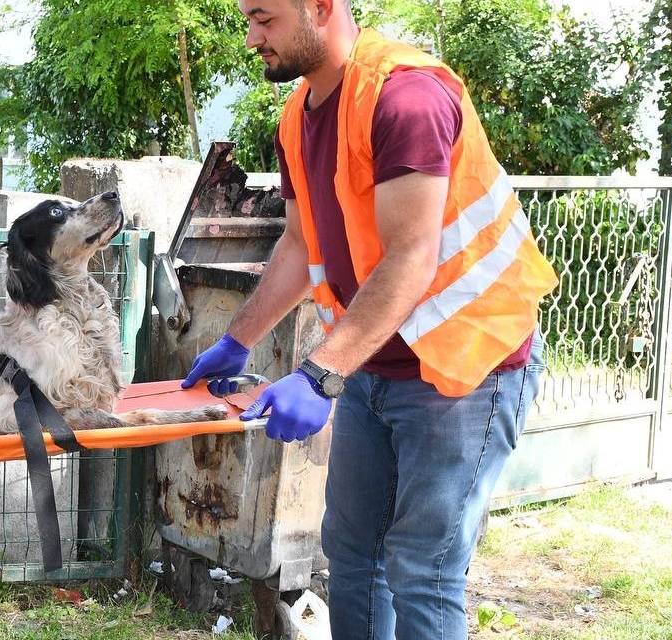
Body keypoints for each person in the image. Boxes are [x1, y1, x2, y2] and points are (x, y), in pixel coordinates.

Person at [182, 1, 559, 637]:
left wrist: (320, 375)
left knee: (422, 569)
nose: (252, 38)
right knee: (352, 555)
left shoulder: (405, 99)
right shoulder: (297, 118)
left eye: (264, 19)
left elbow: (412, 259)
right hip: (373, 366)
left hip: (468, 366)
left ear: (320, 7)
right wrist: (236, 340)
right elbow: (299, 247)